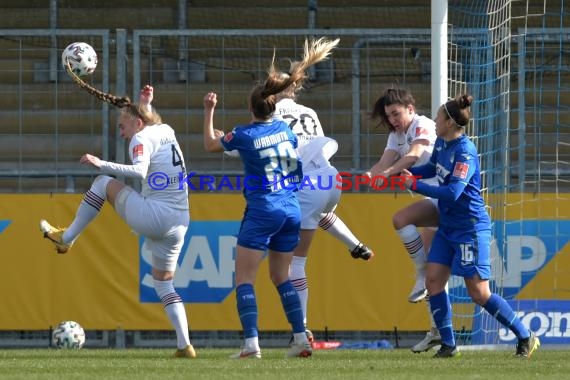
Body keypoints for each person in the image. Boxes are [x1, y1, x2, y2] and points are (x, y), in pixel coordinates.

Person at [39, 72, 196, 358]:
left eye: (122, 126)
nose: (120, 132)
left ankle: (67, 237)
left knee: (101, 183)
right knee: (163, 282)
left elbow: (139, 171)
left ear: (136, 123)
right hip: (180, 222)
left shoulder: (139, 138)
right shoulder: (166, 130)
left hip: (156, 215)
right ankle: (185, 345)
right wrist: (144, 104)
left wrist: (102, 163)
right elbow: (151, 122)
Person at [402, 94, 540, 358]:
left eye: (439, 117)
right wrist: (407, 172)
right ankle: (448, 344)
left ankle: (525, 335)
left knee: (478, 292)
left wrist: (414, 185)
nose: (434, 121)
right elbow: (432, 166)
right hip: (448, 226)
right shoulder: (442, 143)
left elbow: (454, 192)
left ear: (451, 123)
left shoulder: (465, 151)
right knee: (433, 281)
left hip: (470, 228)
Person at [202, 49, 314, 359]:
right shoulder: (284, 130)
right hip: (291, 209)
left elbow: (211, 144)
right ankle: (300, 338)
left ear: (251, 107)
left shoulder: (244, 134)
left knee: (244, 278)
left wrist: (209, 110)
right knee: (281, 277)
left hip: (263, 209)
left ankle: (251, 344)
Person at [272, 37, 374, 341]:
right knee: (320, 213)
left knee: (295, 266)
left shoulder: (273, 116)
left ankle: (299, 330)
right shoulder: (310, 112)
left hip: (306, 185)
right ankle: (356, 245)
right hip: (331, 179)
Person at [367, 87, 441, 352]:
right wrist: (371, 176)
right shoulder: (395, 134)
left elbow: (412, 155)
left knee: (401, 220)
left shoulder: (423, 124)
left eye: (396, 114)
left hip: (446, 199)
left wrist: (386, 173)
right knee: (434, 275)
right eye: (388, 116)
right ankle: (438, 331)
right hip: (432, 200)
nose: (392, 120)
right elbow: (382, 163)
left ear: (411, 108)